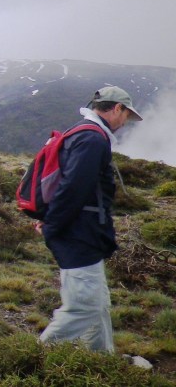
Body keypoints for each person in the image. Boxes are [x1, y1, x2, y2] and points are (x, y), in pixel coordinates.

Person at [38, 86, 143, 353]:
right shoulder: (92, 139)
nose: (125, 123)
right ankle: (31, 360)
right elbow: (74, 188)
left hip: (82, 233)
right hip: (78, 236)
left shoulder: (83, 133)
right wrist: (53, 226)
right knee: (84, 307)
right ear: (117, 108)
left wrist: (50, 220)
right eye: (126, 116)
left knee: (98, 303)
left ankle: (101, 361)